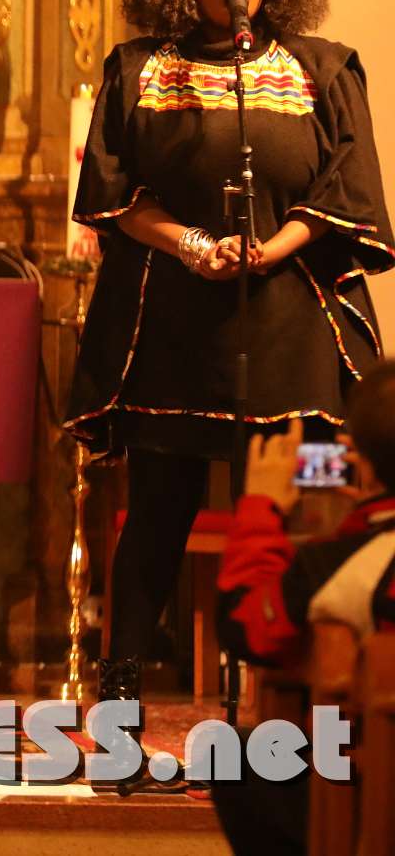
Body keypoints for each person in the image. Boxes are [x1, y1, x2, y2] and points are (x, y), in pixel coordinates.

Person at [65, 0, 394, 701]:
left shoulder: (324, 67)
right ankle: (120, 686)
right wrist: (192, 244)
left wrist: (271, 248)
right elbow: (112, 191)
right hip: (172, 326)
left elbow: (347, 187)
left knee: (301, 502)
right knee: (158, 509)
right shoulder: (138, 68)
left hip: (295, 326)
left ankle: (294, 686)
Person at [208, 360, 395, 856]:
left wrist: (261, 508)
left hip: (377, 793)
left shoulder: (342, 565)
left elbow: (244, 627)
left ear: (363, 460)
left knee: (231, 754)